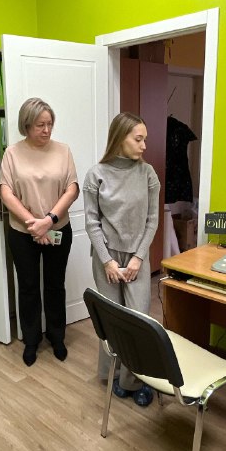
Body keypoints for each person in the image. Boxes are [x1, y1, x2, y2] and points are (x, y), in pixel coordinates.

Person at [83, 112, 160, 406]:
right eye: (138, 139)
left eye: (145, 140)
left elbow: (152, 220)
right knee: (111, 320)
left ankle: (134, 379)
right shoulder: (96, 175)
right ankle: (112, 375)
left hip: (137, 255)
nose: (144, 146)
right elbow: (92, 223)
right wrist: (107, 261)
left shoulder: (147, 174)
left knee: (138, 320)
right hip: (107, 257)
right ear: (120, 138)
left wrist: (139, 258)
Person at [0, 97, 79, 366]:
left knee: (55, 285)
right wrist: (33, 223)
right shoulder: (12, 153)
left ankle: (57, 337)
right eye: (40, 125)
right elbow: (6, 192)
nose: (46, 130)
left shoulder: (63, 151)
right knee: (28, 287)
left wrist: (49, 219)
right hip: (23, 233)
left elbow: (72, 189)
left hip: (58, 228)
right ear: (26, 125)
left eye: (50, 124)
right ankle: (31, 340)